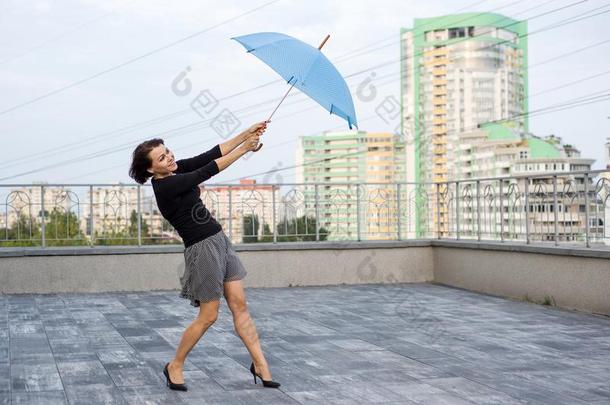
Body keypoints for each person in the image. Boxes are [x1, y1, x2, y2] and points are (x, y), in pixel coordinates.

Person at [128, 121, 280, 391]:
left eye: (168, 151)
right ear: (151, 169)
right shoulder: (164, 187)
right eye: (162, 157)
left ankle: (261, 365)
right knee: (209, 316)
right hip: (201, 249)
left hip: (219, 240)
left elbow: (212, 153)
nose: (170, 157)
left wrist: (248, 134)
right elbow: (209, 170)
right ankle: (175, 365)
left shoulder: (175, 169)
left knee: (240, 305)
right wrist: (246, 148)